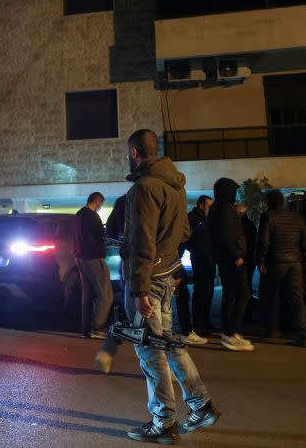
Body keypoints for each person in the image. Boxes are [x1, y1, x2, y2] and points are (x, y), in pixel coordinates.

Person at [121, 129, 219, 443]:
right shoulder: (176, 185)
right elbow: (184, 231)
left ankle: (163, 422)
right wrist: (168, 263)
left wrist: (138, 289)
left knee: (151, 352)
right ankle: (200, 404)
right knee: (168, 344)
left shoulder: (143, 189)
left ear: (134, 152)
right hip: (166, 275)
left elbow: (141, 242)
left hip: (148, 281)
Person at [256, 190, 306, 347]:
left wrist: (260, 260)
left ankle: (272, 331)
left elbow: (264, 241)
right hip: (295, 263)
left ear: (270, 202)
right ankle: (304, 335)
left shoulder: (268, 216)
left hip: (275, 263)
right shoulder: (297, 218)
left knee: (270, 297)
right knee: (297, 300)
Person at [209, 178, 254, 351]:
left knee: (230, 295)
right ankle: (232, 333)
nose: (235, 194)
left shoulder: (215, 209)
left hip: (224, 259)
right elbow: (226, 236)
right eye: (233, 191)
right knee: (243, 294)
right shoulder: (226, 209)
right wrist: (237, 257)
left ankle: (229, 333)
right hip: (232, 259)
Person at [74, 192, 113, 339]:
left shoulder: (79, 215)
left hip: (80, 258)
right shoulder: (92, 216)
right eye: (101, 204)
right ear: (97, 201)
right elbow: (101, 235)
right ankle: (98, 328)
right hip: (93, 258)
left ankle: (86, 329)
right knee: (105, 295)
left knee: (87, 294)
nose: (100, 207)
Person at [184, 195, 214, 337]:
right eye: (209, 205)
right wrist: (196, 250)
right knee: (200, 290)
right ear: (201, 205)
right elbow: (186, 239)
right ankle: (198, 323)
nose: (211, 208)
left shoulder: (208, 218)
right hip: (199, 259)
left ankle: (206, 321)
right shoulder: (192, 218)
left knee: (208, 290)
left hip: (210, 258)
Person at [236, 203, 257, 323]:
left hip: (241, 260)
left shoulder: (239, 226)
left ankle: (241, 314)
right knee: (247, 285)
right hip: (249, 260)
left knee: (240, 288)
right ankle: (247, 314)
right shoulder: (251, 225)